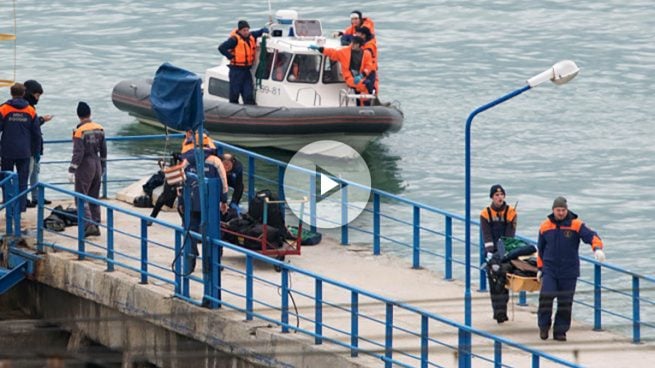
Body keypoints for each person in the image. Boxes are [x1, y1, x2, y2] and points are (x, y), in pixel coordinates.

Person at [537, 196, 606, 341]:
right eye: (558, 210)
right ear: (553, 210)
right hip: (550, 269)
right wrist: (540, 268)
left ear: (567, 210)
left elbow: (592, 236)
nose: (560, 213)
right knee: (546, 297)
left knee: (565, 302)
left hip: (569, 270)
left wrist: (597, 249)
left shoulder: (576, 224)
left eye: (563, 210)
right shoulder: (545, 226)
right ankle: (544, 326)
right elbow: (540, 249)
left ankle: (560, 331)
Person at [177, 136, 229, 272]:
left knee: (190, 231)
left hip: (191, 204)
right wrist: (224, 201)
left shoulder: (186, 162)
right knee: (213, 234)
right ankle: (212, 264)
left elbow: (180, 183)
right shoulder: (216, 161)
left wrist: (182, 201)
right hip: (211, 206)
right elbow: (224, 183)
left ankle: (190, 261)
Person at [0, 83, 41, 212]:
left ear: (11, 93)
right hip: (25, 151)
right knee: (23, 181)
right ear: (23, 94)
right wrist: (36, 151)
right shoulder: (30, 110)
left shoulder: (3, 109)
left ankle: (8, 205)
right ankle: (21, 207)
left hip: (7, 150)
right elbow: (36, 134)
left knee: (6, 179)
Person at [68, 102, 107, 238]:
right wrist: (103, 166)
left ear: (78, 115)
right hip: (97, 163)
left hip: (85, 164)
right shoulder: (100, 128)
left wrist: (72, 169)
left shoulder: (79, 131)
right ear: (90, 113)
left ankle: (88, 225)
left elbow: (78, 153)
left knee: (80, 196)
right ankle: (96, 224)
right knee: (94, 196)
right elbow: (104, 150)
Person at [480, 184, 517, 324]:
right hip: (491, 251)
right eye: (496, 195)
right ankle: (497, 312)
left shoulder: (511, 213)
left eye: (501, 195)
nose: (499, 197)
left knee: (503, 279)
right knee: (493, 282)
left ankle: (503, 311)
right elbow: (486, 234)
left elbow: (509, 235)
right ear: (492, 197)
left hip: (505, 251)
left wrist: (502, 253)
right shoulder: (485, 214)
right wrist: (491, 253)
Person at [309, 36, 375, 105]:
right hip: (350, 77)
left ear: (359, 45)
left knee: (368, 84)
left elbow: (368, 66)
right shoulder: (344, 52)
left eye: (355, 43)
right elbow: (332, 52)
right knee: (363, 85)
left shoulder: (367, 54)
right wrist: (319, 48)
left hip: (361, 76)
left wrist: (361, 76)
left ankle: (365, 104)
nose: (352, 44)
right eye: (352, 42)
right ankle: (363, 103)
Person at [218, 20, 268, 105]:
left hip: (246, 70)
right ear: (240, 30)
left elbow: (262, 30)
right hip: (236, 71)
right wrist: (230, 56)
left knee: (248, 93)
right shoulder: (234, 40)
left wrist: (265, 31)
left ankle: (249, 109)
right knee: (234, 93)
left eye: (247, 30)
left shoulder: (251, 36)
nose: (246, 32)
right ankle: (233, 109)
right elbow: (221, 48)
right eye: (244, 30)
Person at [23, 79, 54, 207]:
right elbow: (30, 125)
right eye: (37, 95)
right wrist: (42, 119)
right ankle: (23, 198)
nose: (38, 98)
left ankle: (36, 196)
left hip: (34, 146)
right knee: (27, 173)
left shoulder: (31, 107)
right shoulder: (26, 107)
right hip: (28, 146)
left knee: (35, 171)